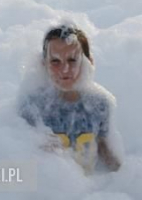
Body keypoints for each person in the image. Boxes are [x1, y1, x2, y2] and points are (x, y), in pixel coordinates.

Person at [19, 24, 121, 173]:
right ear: (44, 64)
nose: (65, 69)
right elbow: (20, 153)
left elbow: (105, 150)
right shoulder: (33, 107)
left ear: (88, 63)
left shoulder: (99, 105)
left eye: (72, 60)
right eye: (55, 61)